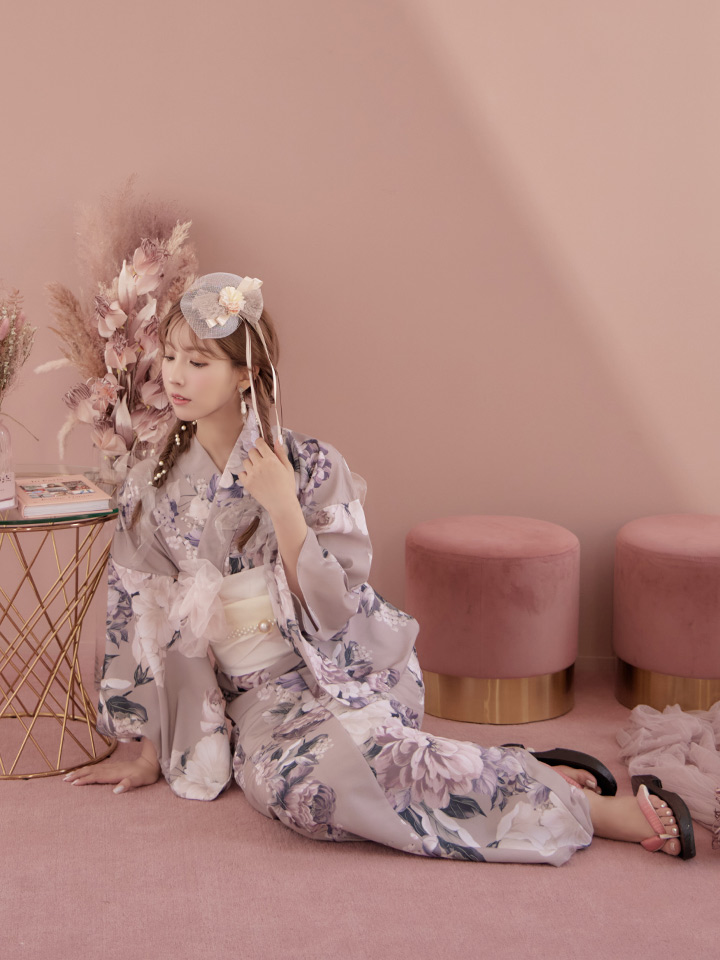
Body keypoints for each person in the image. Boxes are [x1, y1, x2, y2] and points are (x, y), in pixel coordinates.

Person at [66, 273, 695, 864]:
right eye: (169, 357)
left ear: (245, 374)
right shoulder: (149, 485)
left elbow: (340, 605)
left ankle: (593, 810)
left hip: (339, 668)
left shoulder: (313, 465)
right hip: (252, 700)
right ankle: (517, 769)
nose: (174, 376)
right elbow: (137, 612)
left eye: (198, 362)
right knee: (301, 791)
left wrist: (285, 509)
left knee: (363, 756)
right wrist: (143, 744)